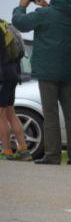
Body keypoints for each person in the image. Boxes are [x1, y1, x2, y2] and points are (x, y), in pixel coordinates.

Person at [12, 0, 71, 165]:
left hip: (48, 73)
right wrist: (46, 5)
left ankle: (53, 155)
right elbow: (58, 18)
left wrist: (21, 6)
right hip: (68, 72)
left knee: (50, 113)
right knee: (70, 112)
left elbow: (20, 23)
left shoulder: (43, 14)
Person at [0, 19, 32, 160]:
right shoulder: (6, 26)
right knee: (10, 113)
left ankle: (7, 151)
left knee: (0, 115)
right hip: (13, 74)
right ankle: (23, 150)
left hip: (2, 76)